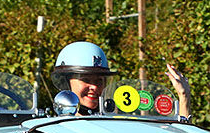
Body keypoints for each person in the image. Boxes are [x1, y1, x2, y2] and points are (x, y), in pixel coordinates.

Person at [51, 41, 192, 120]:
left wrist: (183, 97)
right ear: (66, 82)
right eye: (86, 79)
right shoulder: (55, 129)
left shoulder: (115, 122)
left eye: (99, 81)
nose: (94, 87)